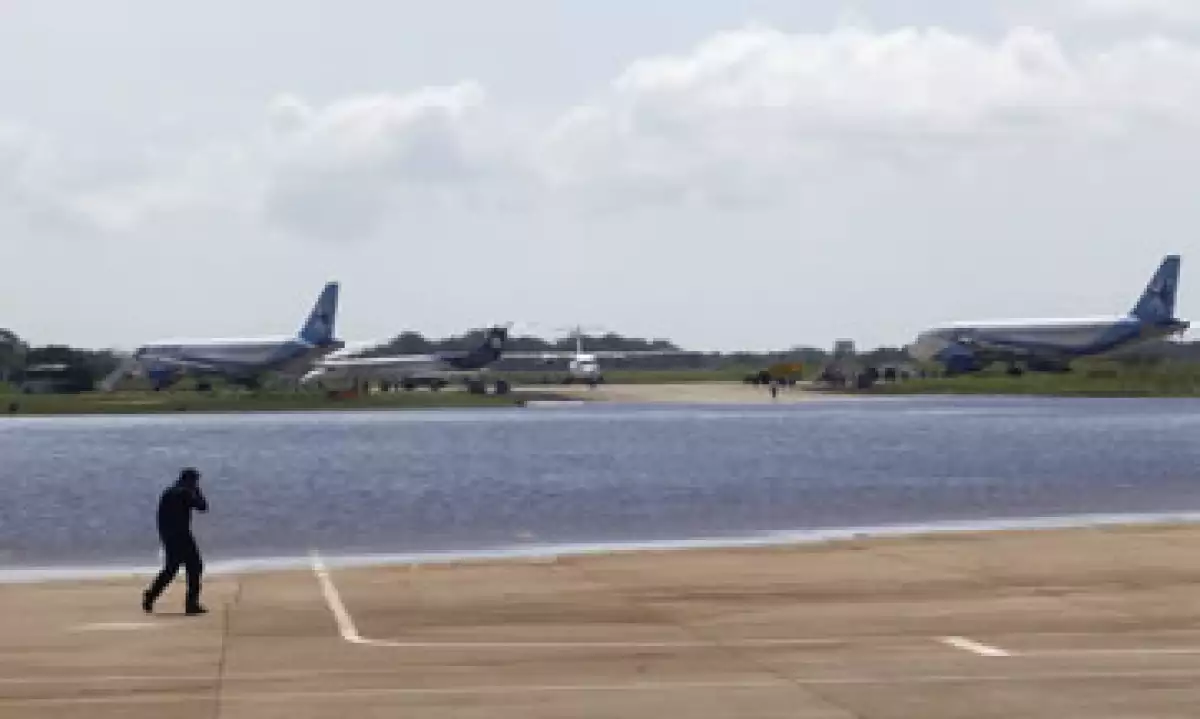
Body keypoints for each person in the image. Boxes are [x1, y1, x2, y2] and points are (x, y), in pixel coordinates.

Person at [142, 467, 209, 615]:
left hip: (169, 535)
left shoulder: (170, 492)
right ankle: (191, 604)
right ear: (191, 481)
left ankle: (150, 595)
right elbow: (203, 506)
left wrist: (166, 536)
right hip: (181, 535)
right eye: (195, 481)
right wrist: (197, 491)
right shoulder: (184, 493)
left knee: (171, 569)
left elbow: (161, 516)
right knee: (195, 566)